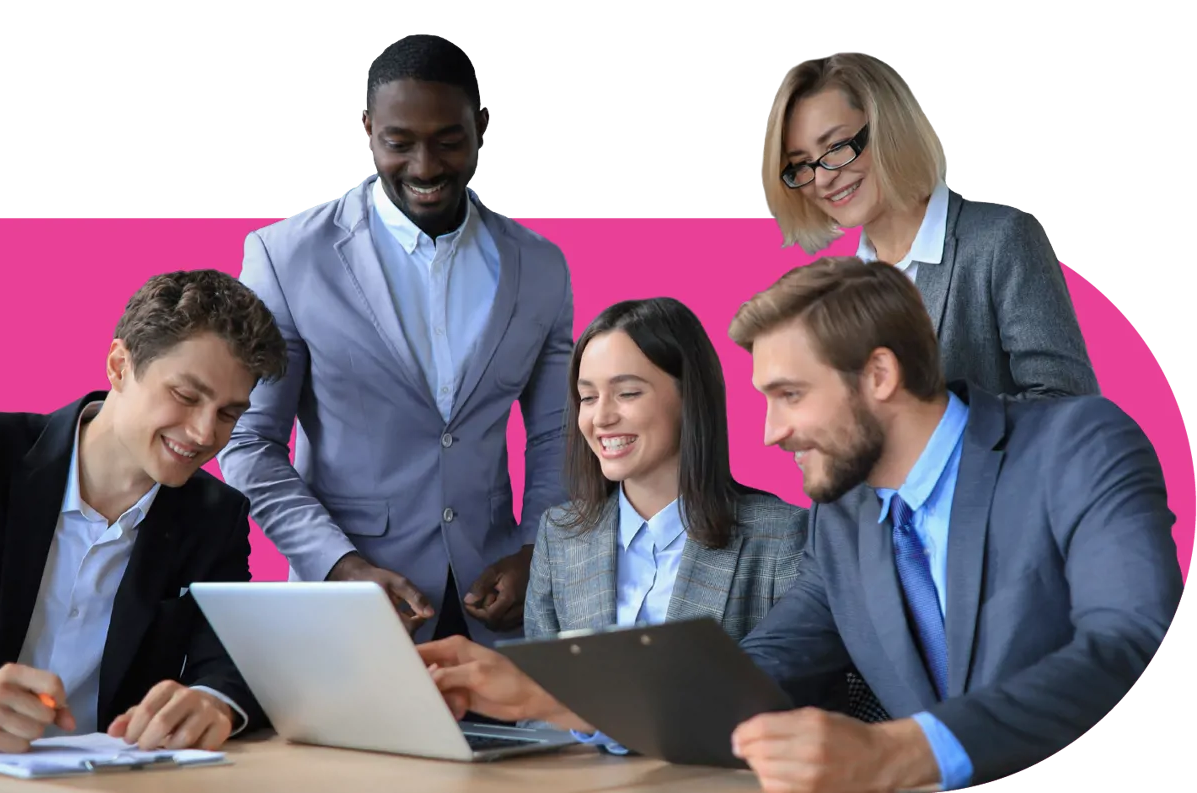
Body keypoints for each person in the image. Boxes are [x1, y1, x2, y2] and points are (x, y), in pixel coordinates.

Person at [417, 256, 1181, 792]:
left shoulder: (1077, 445)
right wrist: (538, 689)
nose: (770, 433)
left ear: (878, 376)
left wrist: (899, 752)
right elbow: (753, 671)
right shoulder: (844, 522)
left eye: (789, 394)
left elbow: (1130, 641)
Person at [216, 32, 573, 647]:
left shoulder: (540, 267)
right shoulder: (285, 258)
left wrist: (537, 550)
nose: (426, 167)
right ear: (366, 130)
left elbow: (556, 434)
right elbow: (248, 442)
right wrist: (338, 567)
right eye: (399, 143)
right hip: (347, 613)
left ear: (483, 127)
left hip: (495, 605)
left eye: (449, 141)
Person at [0, 270, 289, 753]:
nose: (203, 434)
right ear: (118, 366)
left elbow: (233, 660)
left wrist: (211, 701)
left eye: (227, 414)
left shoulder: (215, 517)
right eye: (185, 395)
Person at [523, 297, 812, 753]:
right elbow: (535, 709)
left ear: (688, 396)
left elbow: (802, 710)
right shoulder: (560, 536)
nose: (601, 417)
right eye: (588, 396)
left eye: (628, 392)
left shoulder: (781, 537)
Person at [760, 49, 1098, 402]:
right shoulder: (838, 288)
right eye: (802, 165)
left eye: (836, 147)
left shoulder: (1000, 241)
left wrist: (935, 427)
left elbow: (1067, 403)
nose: (822, 179)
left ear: (889, 127)